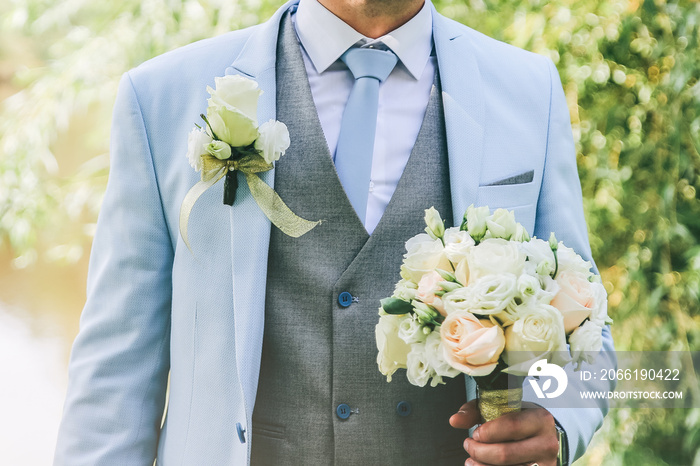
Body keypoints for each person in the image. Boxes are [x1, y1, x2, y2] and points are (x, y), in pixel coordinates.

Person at [54, 0, 615, 464]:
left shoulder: (527, 90)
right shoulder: (163, 98)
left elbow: (588, 329)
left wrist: (559, 421)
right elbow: (115, 374)